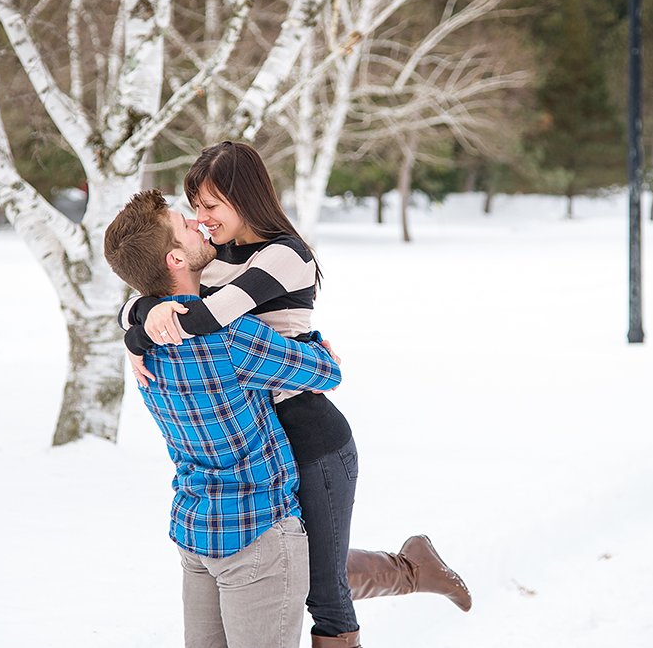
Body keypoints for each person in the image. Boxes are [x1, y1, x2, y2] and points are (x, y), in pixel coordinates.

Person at [119, 143, 471, 648]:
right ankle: (413, 565)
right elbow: (154, 280)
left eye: (211, 206)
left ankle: (413, 570)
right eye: (194, 207)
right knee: (298, 564)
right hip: (257, 435)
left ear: (246, 198)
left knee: (324, 592)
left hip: (310, 436)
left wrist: (144, 326)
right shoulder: (213, 255)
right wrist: (139, 313)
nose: (202, 219)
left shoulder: (285, 254)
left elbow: (208, 318)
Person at [104, 190, 340, 648]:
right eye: (186, 224)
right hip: (259, 532)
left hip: (196, 530)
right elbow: (327, 373)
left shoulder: (143, 348)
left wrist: (140, 318)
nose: (198, 222)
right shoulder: (231, 340)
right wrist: (314, 346)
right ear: (176, 257)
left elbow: (144, 312)